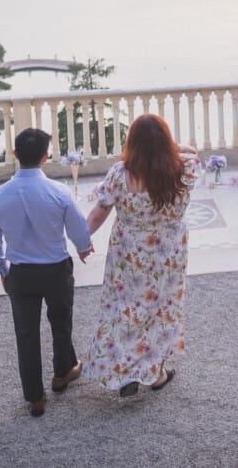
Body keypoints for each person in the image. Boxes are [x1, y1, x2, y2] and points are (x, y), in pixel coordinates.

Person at [0, 127, 94, 418]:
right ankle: (62, 374)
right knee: (61, 321)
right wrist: (84, 247)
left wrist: (2, 269)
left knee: (26, 333)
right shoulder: (59, 192)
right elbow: (78, 229)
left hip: (20, 272)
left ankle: (35, 397)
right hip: (56, 269)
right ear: (46, 157)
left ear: (15, 154)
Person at [84, 113, 198, 397]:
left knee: (124, 308)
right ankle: (155, 374)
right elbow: (191, 151)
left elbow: (98, 213)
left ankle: (125, 370)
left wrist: (82, 240)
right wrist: (169, 147)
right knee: (160, 309)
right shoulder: (184, 169)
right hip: (168, 255)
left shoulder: (119, 174)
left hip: (129, 255)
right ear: (167, 141)